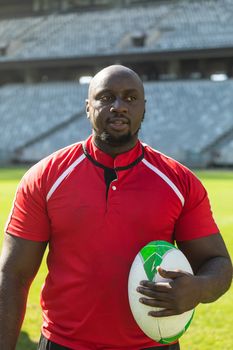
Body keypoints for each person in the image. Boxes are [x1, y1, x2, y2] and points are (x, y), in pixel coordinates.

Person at [0, 65, 232, 350]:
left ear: (144, 108)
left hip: (153, 344)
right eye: (106, 97)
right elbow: (13, 274)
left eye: (130, 98)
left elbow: (218, 263)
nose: (119, 106)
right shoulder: (45, 177)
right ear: (88, 107)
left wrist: (199, 288)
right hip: (63, 344)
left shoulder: (179, 181)